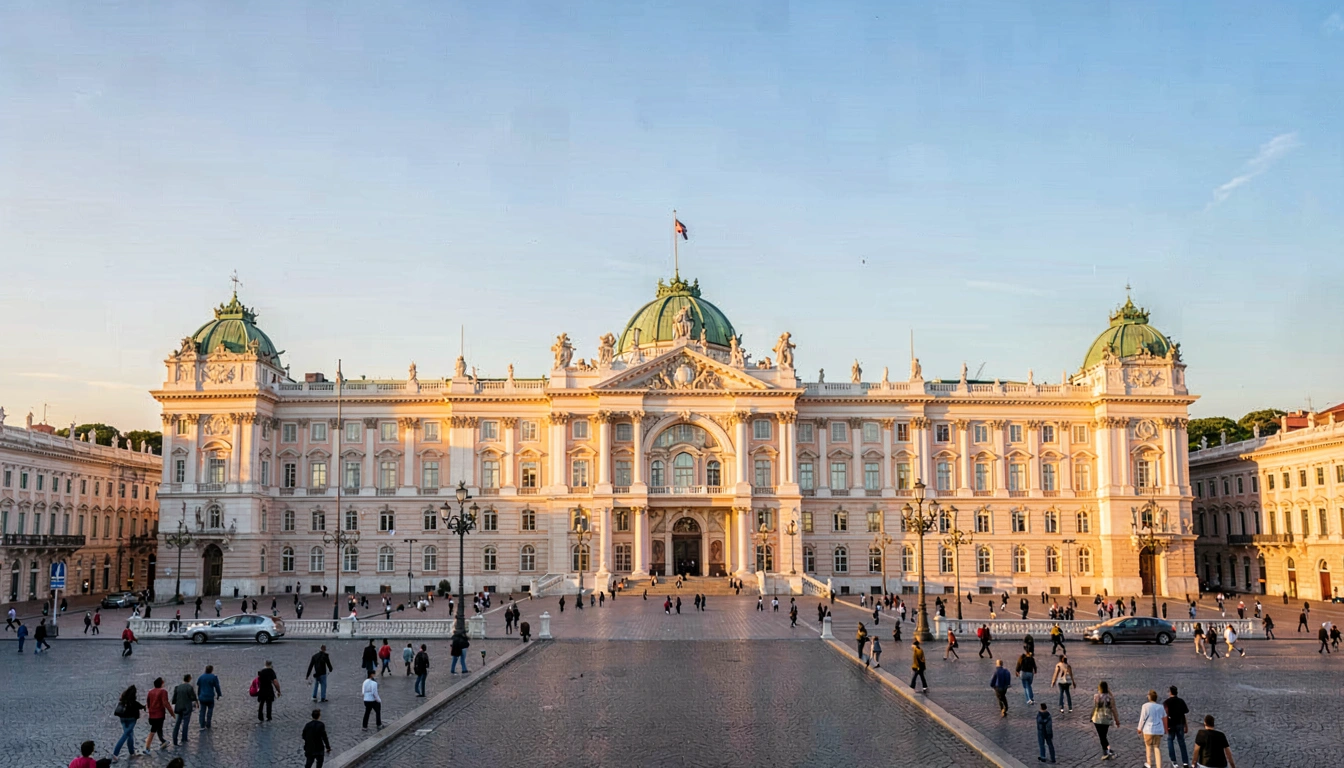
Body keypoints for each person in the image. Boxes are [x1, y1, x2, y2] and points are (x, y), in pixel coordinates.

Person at [112, 685, 145, 761]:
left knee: (130, 734)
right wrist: (143, 707)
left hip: (123, 718)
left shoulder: (123, 698)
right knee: (126, 735)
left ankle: (132, 752)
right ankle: (115, 753)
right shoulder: (133, 701)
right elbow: (138, 706)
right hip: (131, 719)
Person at [1136, 689, 1167, 768]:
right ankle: (1159, 766)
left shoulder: (1145, 706)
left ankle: (1149, 763)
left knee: (1148, 746)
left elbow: (1142, 718)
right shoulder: (1161, 707)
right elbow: (1164, 718)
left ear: (1149, 697)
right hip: (1158, 730)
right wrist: (1165, 729)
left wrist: (1139, 728)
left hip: (1148, 730)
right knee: (1157, 747)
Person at [1090, 681, 1120, 760]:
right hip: (1106, 719)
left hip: (1097, 719)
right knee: (1103, 736)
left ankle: (1106, 751)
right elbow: (1113, 709)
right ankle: (1107, 750)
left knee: (1102, 737)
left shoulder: (1096, 696)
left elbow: (1095, 707)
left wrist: (1091, 716)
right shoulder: (1110, 698)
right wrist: (1117, 720)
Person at [1163, 686, 1189, 768]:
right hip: (1180, 724)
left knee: (1170, 740)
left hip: (1171, 725)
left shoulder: (1166, 702)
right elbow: (1184, 714)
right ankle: (1185, 762)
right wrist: (1186, 725)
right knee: (1182, 742)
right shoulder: (1181, 701)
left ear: (1170, 692)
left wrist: (1165, 727)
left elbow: (1165, 715)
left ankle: (1174, 761)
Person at [144, 678, 170, 752]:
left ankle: (163, 741)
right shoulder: (163, 691)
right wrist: (172, 713)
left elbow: (148, 703)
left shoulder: (150, 692)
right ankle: (147, 748)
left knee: (159, 728)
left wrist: (150, 711)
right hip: (159, 714)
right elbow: (165, 702)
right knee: (153, 730)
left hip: (152, 714)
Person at [171, 673, 197, 746]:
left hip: (179, 707)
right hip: (187, 707)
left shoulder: (177, 687)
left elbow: (174, 699)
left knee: (177, 723)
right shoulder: (189, 687)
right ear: (189, 679)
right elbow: (193, 697)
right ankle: (184, 738)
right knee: (185, 723)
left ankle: (174, 738)